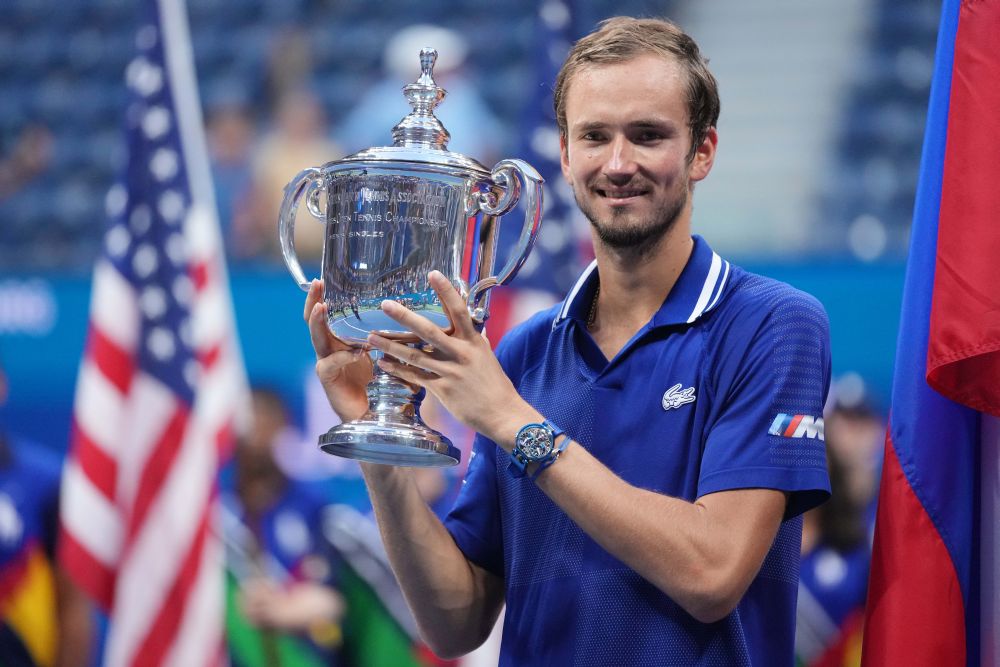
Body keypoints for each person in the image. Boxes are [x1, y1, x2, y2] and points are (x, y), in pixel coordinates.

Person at [304, 17, 831, 666]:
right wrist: (379, 447)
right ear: (564, 154)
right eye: (594, 137)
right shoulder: (524, 351)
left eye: (648, 136)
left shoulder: (772, 324)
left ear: (703, 152)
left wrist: (513, 421)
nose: (617, 163)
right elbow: (455, 621)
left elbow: (712, 572)